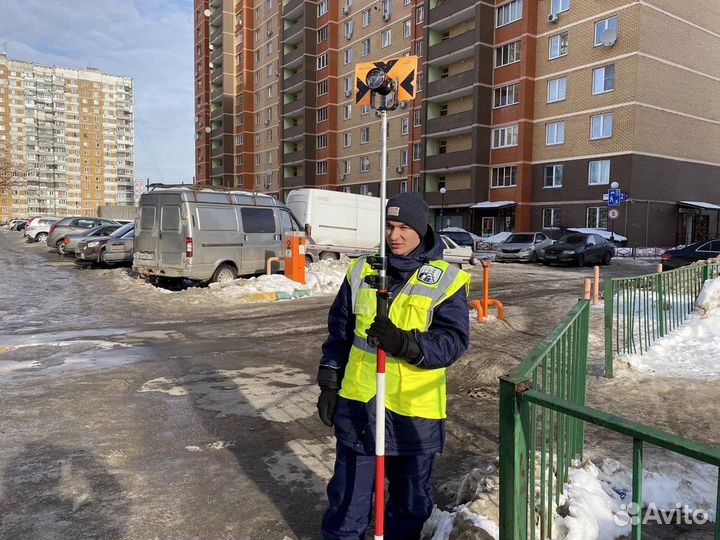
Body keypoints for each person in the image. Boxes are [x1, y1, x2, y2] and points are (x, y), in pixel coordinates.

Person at [316, 192, 471, 540]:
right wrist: (329, 381)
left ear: (422, 229)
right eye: (389, 225)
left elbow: (453, 341)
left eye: (404, 227)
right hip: (360, 404)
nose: (394, 235)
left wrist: (405, 343)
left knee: (410, 504)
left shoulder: (446, 278)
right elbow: (339, 331)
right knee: (347, 502)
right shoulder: (361, 269)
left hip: (414, 414)